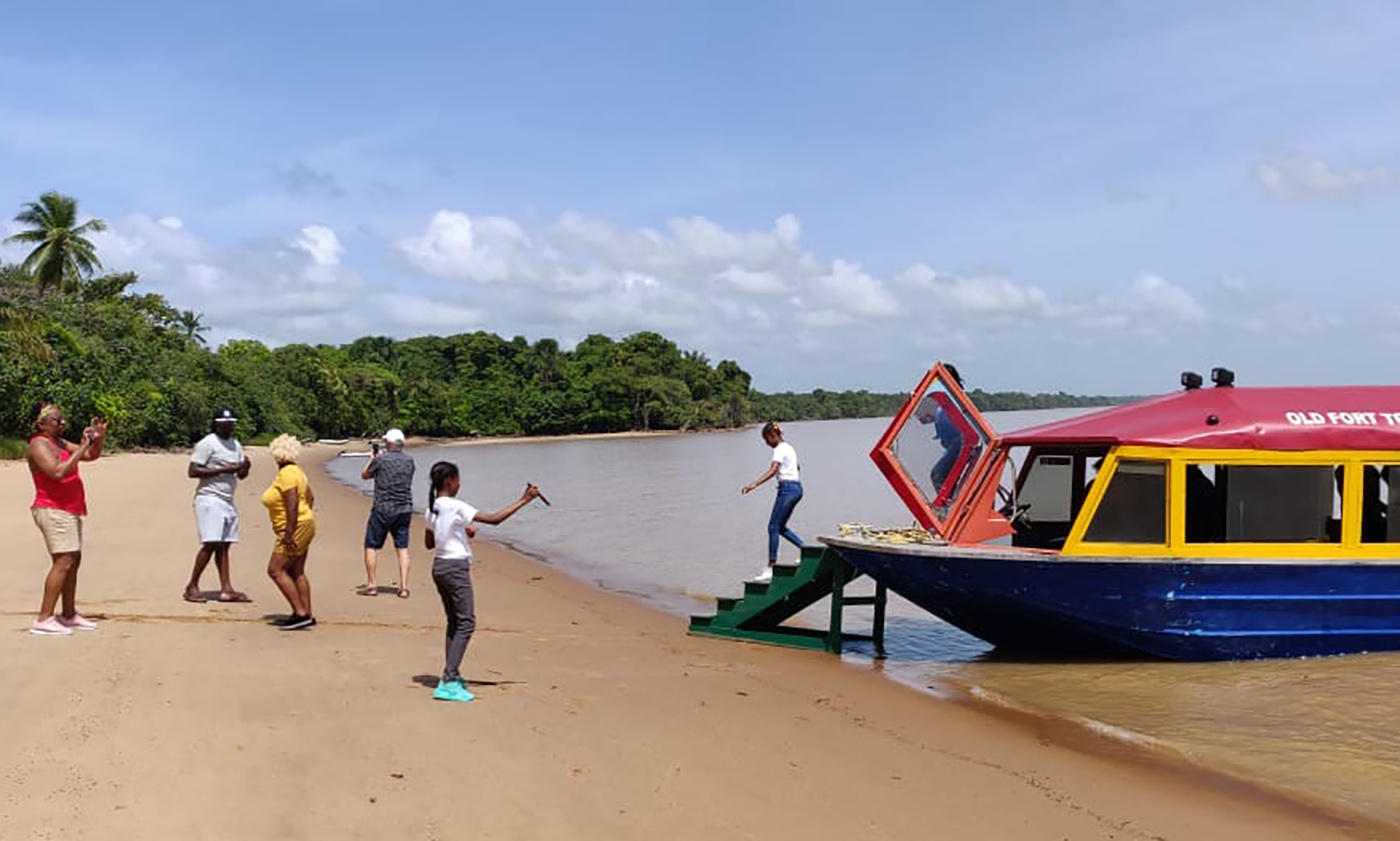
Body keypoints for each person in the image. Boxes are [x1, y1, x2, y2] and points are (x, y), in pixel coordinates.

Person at [424, 460, 543, 702]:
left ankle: (452, 675)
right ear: (450, 481)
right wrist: (525, 500)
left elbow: (430, 543)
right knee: (466, 623)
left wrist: (460, 532)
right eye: (458, 479)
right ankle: (448, 679)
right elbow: (494, 519)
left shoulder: (431, 508)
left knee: (455, 623)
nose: (460, 484)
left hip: (440, 567)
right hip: (455, 568)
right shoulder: (456, 506)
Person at [27, 403, 107, 636]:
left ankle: (69, 614)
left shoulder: (59, 443)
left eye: (62, 419)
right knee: (63, 561)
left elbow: (91, 455)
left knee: (73, 559)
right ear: (40, 423)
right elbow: (56, 472)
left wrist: (96, 439)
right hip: (52, 509)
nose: (62, 422)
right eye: (56, 419)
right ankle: (44, 618)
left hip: (68, 508)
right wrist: (82, 447)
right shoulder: (38, 444)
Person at [184, 408, 253, 603]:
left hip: (227, 499)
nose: (229, 425)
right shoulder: (208, 443)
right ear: (216, 423)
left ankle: (226, 589)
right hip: (209, 498)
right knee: (211, 543)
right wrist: (225, 469)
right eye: (225, 422)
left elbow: (240, 475)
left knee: (224, 545)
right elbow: (193, 470)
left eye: (232, 422)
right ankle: (192, 586)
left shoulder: (235, 445)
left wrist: (244, 468)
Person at [261, 434, 316, 630]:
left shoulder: (286, 474)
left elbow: (292, 503)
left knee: (275, 569)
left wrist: (290, 532)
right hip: (306, 523)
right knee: (296, 570)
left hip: (296, 526)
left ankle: (300, 613)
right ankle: (306, 612)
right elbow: (310, 498)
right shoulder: (298, 471)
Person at [740, 421, 803, 584]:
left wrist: (754, 484)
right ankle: (806, 552)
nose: (766, 443)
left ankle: (771, 566)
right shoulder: (789, 447)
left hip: (788, 490)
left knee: (773, 527)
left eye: (766, 440)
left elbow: (773, 469)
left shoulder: (779, 449)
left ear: (772, 436)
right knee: (780, 527)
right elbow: (797, 467)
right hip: (796, 489)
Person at [359, 428, 415, 598]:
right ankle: (404, 587)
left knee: (371, 545)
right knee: (402, 547)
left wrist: (372, 460)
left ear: (389, 443)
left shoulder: (381, 460)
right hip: (404, 507)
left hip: (383, 507)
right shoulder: (409, 461)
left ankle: (372, 585)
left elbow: (365, 475)